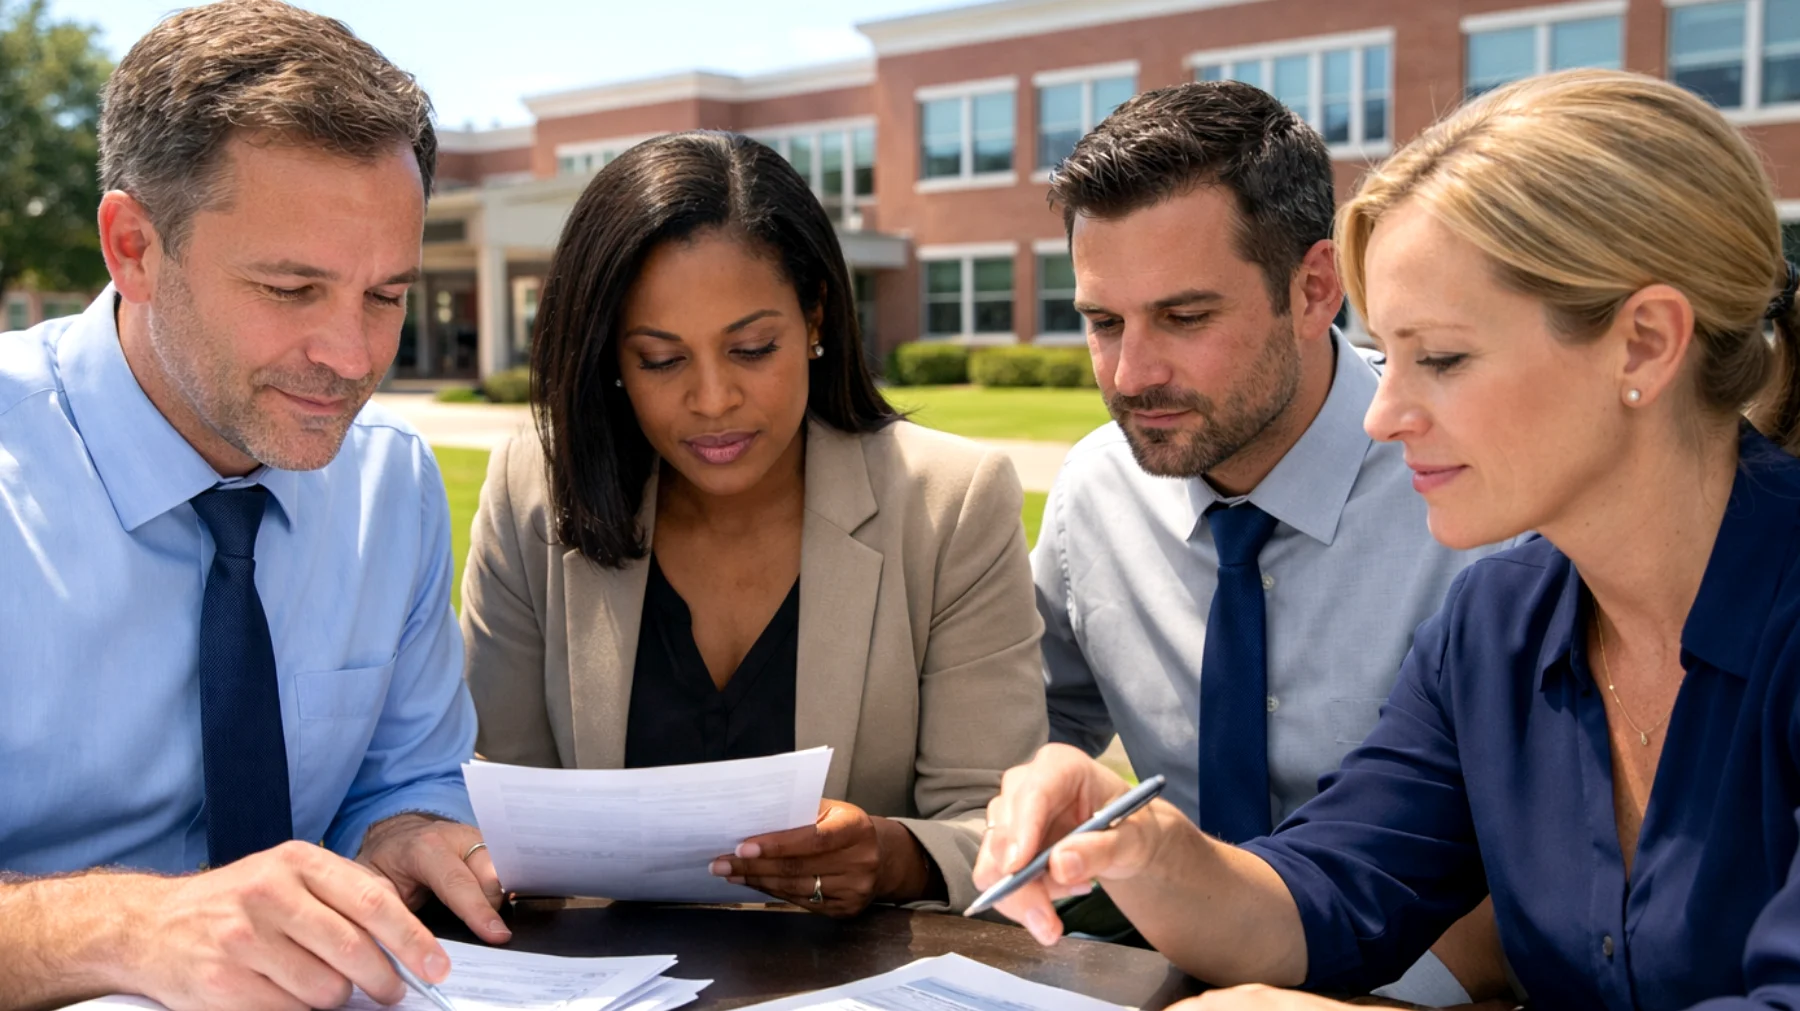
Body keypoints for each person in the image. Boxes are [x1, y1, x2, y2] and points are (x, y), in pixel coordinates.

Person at [977, 69, 1800, 1011]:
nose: (1382, 414)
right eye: (1393, 355)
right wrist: (1140, 842)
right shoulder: (1499, 622)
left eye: (1441, 358)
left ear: (1645, 343)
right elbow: (1331, 896)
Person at [0, 3, 510, 1008]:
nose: (352, 359)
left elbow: (409, 775)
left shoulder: (390, 484)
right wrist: (128, 927)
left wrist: (403, 830)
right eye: (289, 289)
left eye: (386, 295)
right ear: (134, 247)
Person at [461, 131, 1047, 916]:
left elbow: (999, 830)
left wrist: (888, 855)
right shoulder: (532, 491)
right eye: (661, 359)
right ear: (609, 357)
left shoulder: (951, 504)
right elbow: (500, 806)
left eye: (751, 347)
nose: (713, 400)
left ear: (815, 316)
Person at [1030, 82, 1506, 1002]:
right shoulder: (1095, 489)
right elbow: (1024, 723)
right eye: (1102, 322)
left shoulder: (1474, 489)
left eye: (1185, 317)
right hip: (1170, 962)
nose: (1130, 374)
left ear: (1315, 289)